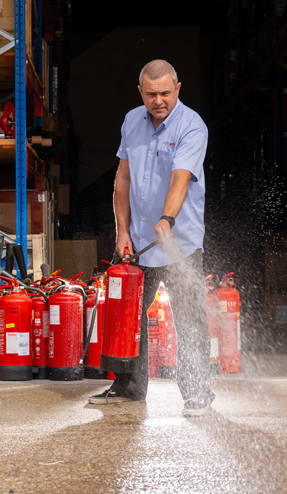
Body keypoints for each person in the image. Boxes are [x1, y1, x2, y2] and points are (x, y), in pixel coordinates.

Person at [88, 59, 214, 416]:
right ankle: (129, 387)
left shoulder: (192, 126)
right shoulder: (132, 121)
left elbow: (180, 178)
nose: (158, 101)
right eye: (151, 94)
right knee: (126, 315)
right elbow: (123, 179)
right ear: (140, 92)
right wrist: (122, 231)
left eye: (164, 93)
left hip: (178, 241)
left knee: (189, 320)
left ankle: (197, 393)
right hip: (139, 243)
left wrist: (167, 219)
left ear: (177, 89)